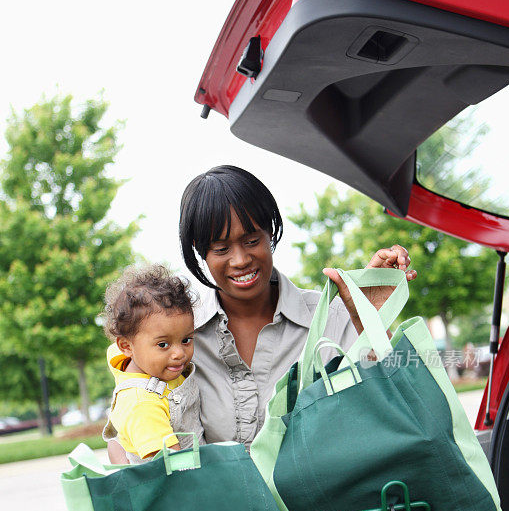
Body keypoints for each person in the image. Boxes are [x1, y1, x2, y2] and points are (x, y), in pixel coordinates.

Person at [178, 165, 416, 447]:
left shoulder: (332, 317)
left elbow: (404, 402)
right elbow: (128, 435)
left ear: (270, 231)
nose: (240, 259)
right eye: (221, 249)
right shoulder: (177, 336)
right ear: (199, 249)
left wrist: (368, 320)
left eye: (252, 240)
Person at [102, 263, 204, 463]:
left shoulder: (139, 358)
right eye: (163, 344)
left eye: (186, 340)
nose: (179, 353)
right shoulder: (142, 403)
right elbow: (175, 464)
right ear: (127, 347)